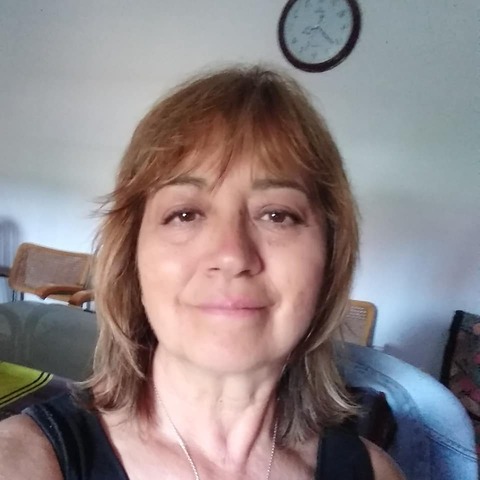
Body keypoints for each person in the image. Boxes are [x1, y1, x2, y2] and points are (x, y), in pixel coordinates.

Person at [0, 65, 404, 479]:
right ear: (132, 257)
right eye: (185, 214)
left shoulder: (375, 474)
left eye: (277, 215)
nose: (232, 254)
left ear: (330, 257)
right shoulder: (23, 460)